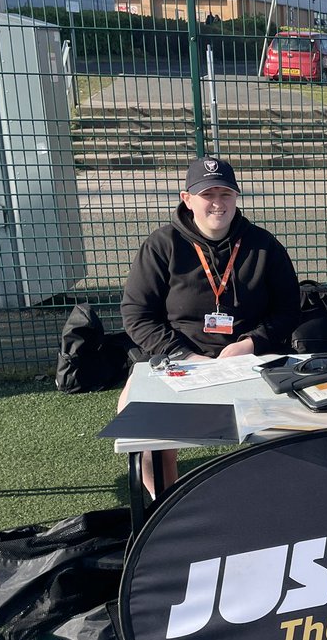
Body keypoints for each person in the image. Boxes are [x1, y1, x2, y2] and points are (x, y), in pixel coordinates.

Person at [120, 156, 301, 496]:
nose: (218, 203)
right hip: (179, 361)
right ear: (187, 199)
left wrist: (250, 343)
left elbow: (288, 309)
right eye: (208, 194)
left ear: (236, 197)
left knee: (304, 425)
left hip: (251, 360)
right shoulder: (162, 245)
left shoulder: (264, 245)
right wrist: (184, 356)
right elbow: (136, 315)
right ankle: (166, 506)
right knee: (142, 434)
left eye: (225, 194)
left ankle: (279, 501)